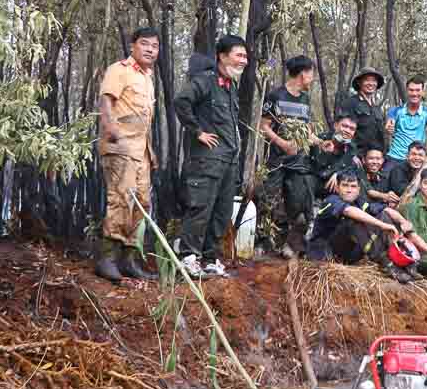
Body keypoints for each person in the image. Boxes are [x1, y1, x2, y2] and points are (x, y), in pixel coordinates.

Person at [173, 35, 247, 278]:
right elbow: (181, 102)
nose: (243, 61)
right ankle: (188, 257)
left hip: (228, 161)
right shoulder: (205, 81)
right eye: (239, 55)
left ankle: (210, 259)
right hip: (206, 160)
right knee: (200, 209)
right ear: (222, 56)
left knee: (221, 212)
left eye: (245, 56)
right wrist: (197, 132)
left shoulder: (231, 86)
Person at [95, 27, 160, 282]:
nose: (149, 50)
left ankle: (129, 260)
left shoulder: (147, 77)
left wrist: (151, 151)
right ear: (133, 46)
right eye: (144, 44)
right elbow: (106, 104)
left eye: (154, 46)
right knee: (121, 199)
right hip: (120, 147)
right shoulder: (119, 70)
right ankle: (107, 259)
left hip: (140, 150)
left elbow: (145, 119)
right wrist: (114, 135)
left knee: (142, 204)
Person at [259, 56, 322, 258]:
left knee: (298, 204)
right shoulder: (276, 95)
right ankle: (263, 244)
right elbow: (263, 126)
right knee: (269, 202)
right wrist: (283, 144)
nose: (312, 78)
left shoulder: (304, 99)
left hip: (298, 162)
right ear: (303, 73)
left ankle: (290, 244)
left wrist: (321, 143)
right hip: (276, 161)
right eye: (311, 73)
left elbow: (306, 132)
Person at [308, 170, 417, 283]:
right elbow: (349, 211)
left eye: (353, 186)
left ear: (359, 190)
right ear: (337, 188)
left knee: (382, 214)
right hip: (326, 252)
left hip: (349, 252)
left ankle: (398, 258)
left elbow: (385, 209)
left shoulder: (359, 202)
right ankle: (387, 264)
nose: (349, 190)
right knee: (354, 220)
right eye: (345, 186)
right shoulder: (331, 200)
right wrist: (382, 225)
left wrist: (403, 221)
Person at [384, 77, 427, 175]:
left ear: (423, 92)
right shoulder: (395, 111)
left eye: (417, 90)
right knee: (384, 183)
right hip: (395, 157)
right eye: (411, 90)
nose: (414, 93)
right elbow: (389, 125)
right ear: (407, 91)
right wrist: (389, 128)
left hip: (416, 160)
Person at [336, 67, 386, 155]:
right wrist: (352, 155)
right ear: (359, 83)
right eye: (367, 80)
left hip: (374, 159)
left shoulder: (377, 109)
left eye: (374, 81)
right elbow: (342, 132)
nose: (371, 83)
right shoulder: (350, 103)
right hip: (357, 157)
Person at [311, 114, 363, 195]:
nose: (347, 131)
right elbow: (317, 169)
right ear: (335, 125)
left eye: (352, 129)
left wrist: (337, 174)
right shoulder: (320, 139)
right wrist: (326, 153)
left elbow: (350, 167)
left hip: (337, 189)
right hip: (315, 185)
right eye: (344, 126)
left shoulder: (351, 148)